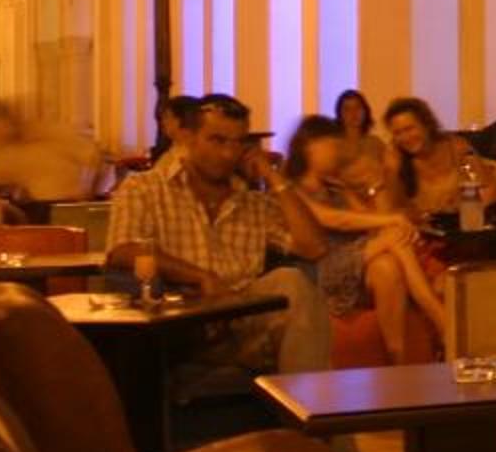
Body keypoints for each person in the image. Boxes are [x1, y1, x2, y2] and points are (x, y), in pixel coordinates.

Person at [106, 93, 331, 377]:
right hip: (182, 325)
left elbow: (314, 248)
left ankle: (306, 401)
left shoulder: (254, 203)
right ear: (188, 138)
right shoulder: (144, 188)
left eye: (238, 143)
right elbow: (123, 249)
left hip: (242, 320)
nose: (228, 154)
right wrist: (200, 277)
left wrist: (272, 176)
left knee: (292, 282)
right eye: (217, 140)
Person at [284, 115, 451, 362]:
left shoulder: (336, 186)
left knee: (387, 267)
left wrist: (377, 183)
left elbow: (370, 220)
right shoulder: (292, 189)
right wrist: (393, 221)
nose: (337, 152)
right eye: (332, 145)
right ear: (310, 147)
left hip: (358, 263)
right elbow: (331, 219)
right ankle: (441, 318)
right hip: (322, 266)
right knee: (393, 235)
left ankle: (396, 354)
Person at [382, 96, 496, 219]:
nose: (405, 138)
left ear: (426, 125)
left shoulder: (456, 148)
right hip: (430, 230)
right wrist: (392, 170)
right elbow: (394, 208)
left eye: (409, 129)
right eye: (398, 133)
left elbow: (487, 188)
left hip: (471, 224)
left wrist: (464, 219)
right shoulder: (398, 160)